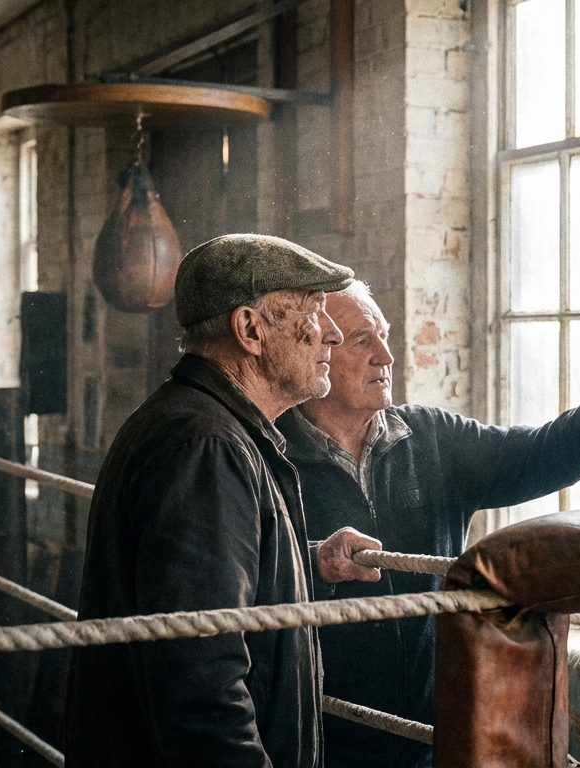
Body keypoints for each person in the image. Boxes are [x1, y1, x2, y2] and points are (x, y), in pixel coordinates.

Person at [277, 281, 580, 767]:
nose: (386, 355)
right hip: (319, 736)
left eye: (385, 335)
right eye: (362, 340)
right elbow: (241, 572)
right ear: (316, 349)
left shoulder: (430, 437)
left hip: (436, 730)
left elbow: (540, 453)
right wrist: (315, 559)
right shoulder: (267, 455)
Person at [64, 234, 381, 767]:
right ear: (250, 330)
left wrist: (306, 564)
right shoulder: (207, 446)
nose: (331, 333)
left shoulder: (201, 425)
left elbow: (194, 591)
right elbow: (200, 680)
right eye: (313, 310)